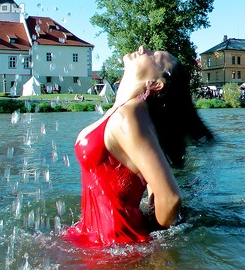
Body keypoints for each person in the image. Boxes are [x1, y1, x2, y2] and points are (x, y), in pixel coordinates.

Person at [64, 46, 212, 247]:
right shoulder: (125, 112)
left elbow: (170, 197)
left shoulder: (130, 114)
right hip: (95, 238)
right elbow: (152, 186)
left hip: (117, 247)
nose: (143, 49)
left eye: (154, 56)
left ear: (155, 84)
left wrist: (155, 242)